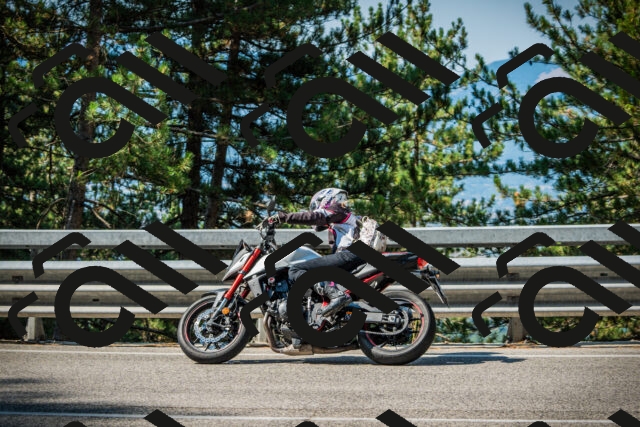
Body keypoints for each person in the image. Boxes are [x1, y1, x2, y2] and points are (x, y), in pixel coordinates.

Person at [263, 188, 366, 318]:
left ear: (326, 199)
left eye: (315, 206)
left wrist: (281, 217)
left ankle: (336, 295)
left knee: (295, 269)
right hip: (355, 255)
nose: (315, 209)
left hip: (350, 254)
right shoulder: (346, 215)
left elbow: (315, 217)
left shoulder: (336, 209)